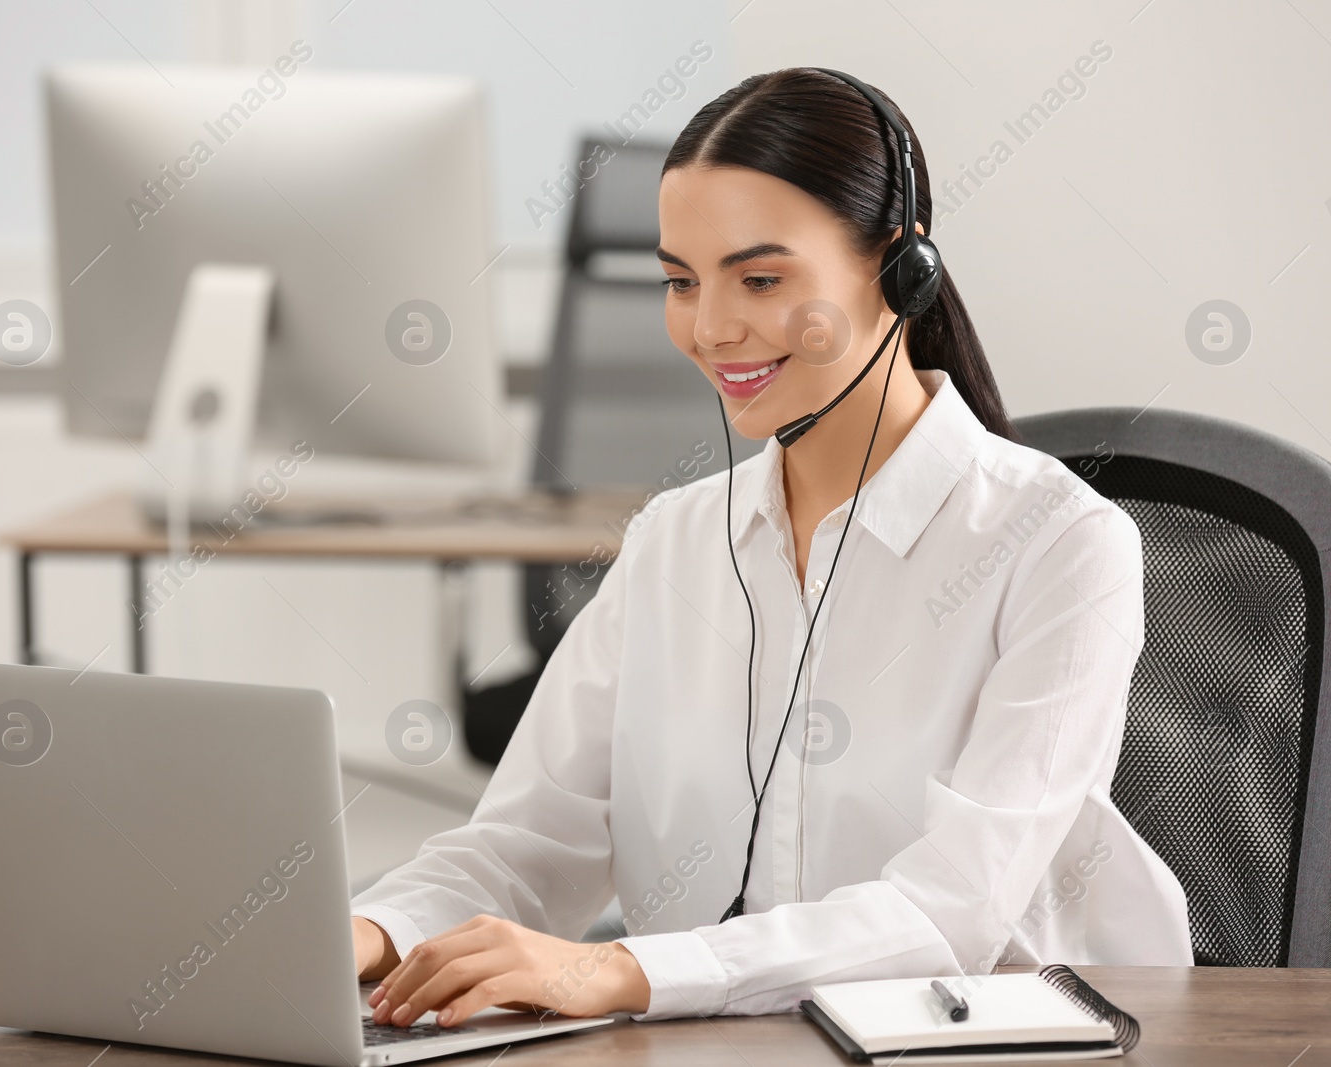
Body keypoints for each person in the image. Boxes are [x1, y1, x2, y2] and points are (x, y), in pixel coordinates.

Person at [350, 67, 1193, 1029]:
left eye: (760, 278)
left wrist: (619, 971)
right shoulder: (675, 542)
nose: (710, 329)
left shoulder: (1061, 546)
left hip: (992, 1048)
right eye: (678, 281)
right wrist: (370, 929)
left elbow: (948, 911)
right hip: (721, 1046)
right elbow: (528, 844)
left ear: (900, 269)